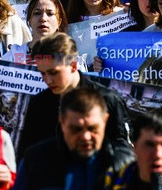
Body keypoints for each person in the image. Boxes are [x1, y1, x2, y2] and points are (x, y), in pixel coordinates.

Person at [5, 87, 134, 190]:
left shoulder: (125, 165)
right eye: (76, 129)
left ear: (105, 120)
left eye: (92, 129)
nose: (85, 137)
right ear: (61, 121)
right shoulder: (37, 158)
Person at [16, 32, 130, 160]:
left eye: (53, 73)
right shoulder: (39, 103)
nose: (48, 80)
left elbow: (123, 151)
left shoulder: (107, 100)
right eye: (43, 73)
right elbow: (26, 154)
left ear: (73, 65)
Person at [1, 0, 67, 64]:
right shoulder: (12, 57)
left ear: (59, 22)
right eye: (37, 13)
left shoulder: (67, 59)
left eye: (50, 14)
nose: (43, 18)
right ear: (29, 20)